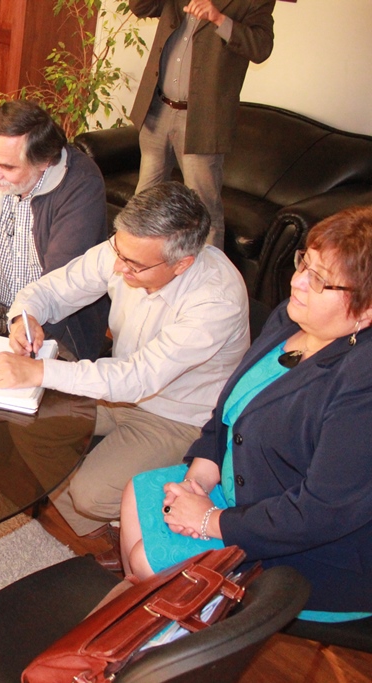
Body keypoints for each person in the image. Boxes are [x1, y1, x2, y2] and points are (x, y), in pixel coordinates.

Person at [119, 205, 372, 618]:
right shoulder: (290, 318)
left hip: (308, 550)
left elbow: (320, 513)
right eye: (304, 263)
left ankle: (163, 634)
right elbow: (227, 414)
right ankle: (146, 625)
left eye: (319, 279)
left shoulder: (363, 383)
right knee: (138, 493)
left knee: (147, 562)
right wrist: (198, 480)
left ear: (366, 310)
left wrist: (211, 520)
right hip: (241, 488)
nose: (297, 281)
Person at [0, 181, 249, 549]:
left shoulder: (216, 300)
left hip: (179, 417)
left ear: (182, 264)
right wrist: (24, 317)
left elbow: (139, 377)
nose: (119, 266)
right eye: (118, 251)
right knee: (24, 421)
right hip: (115, 390)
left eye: (133, 264)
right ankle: (99, 524)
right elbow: (57, 287)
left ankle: (133, 510)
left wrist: (39, 372)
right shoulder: (131, 249)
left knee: (89, 494)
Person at [0, 99, 110, 360]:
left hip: (54, 327)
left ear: (44, 162)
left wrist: (26, 341)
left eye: (8, 167)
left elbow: (59, 286)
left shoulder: (81, 183)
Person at [129, 0, 275, 250]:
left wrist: (219, 19)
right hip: (158, 108)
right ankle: (135, 261)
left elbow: (261, 47)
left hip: (201, 120)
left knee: (204, 210)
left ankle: (211, 274)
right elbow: (140, 7)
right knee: (144, 199)